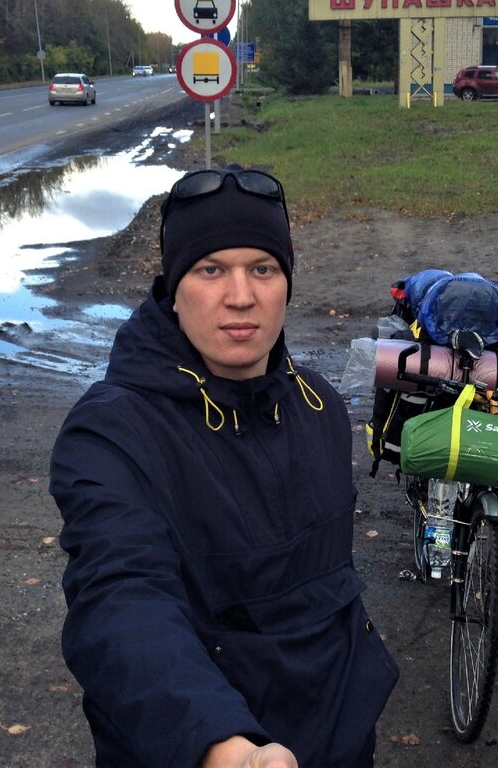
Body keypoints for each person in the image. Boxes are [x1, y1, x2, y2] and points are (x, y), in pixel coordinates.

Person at [49, 165, 399, 767]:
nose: (241, 297)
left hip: (339, 740)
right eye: (211, 270)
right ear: (173, 287)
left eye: (262, 269)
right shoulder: (112, 430)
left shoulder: (320, 406)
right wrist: (221, 744)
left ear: (287, 282)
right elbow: (121, 601)